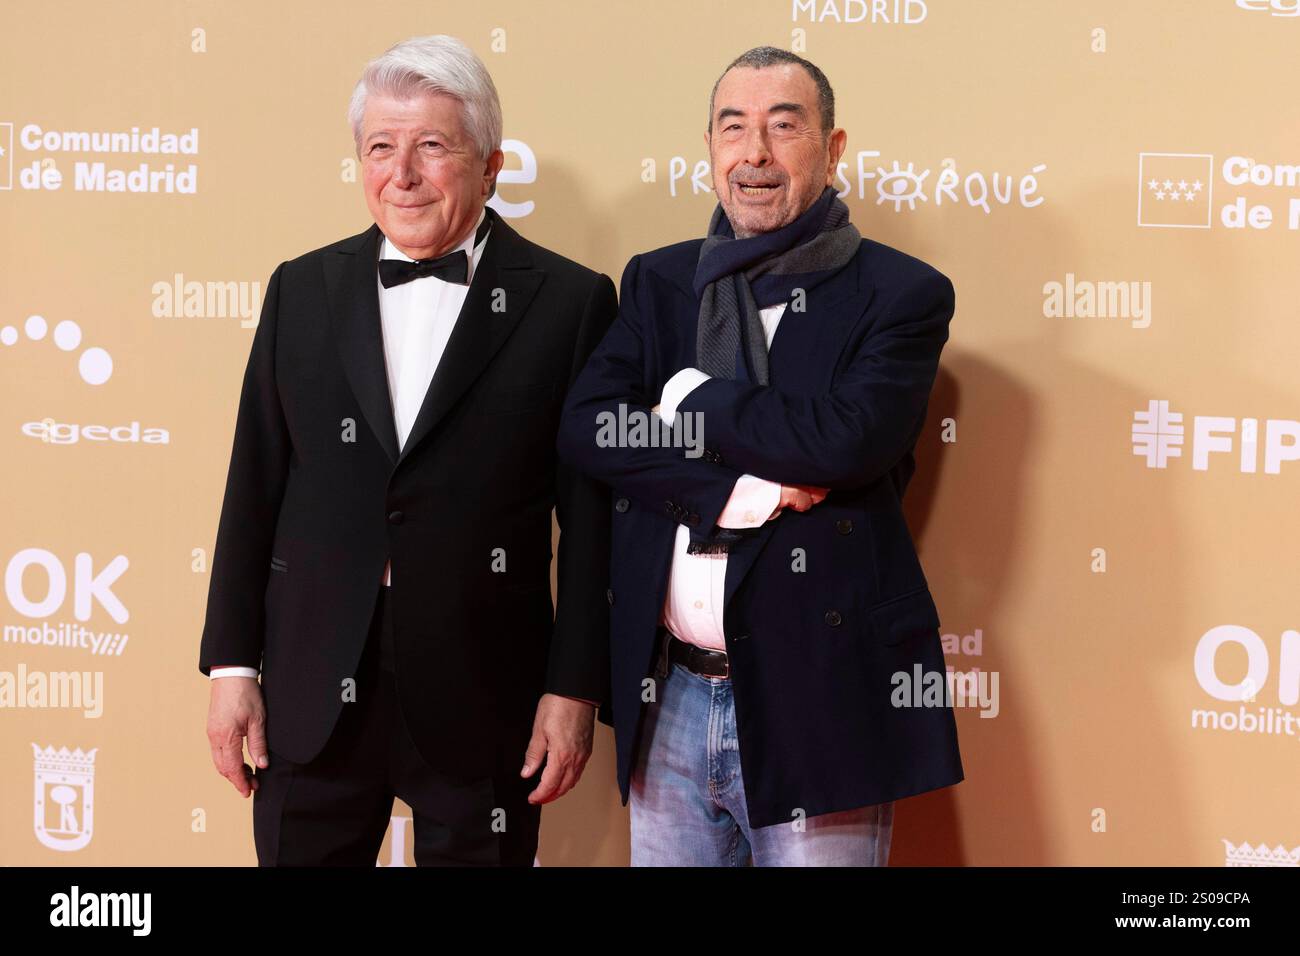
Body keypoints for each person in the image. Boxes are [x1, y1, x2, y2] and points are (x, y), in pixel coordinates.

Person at [199, 34, 616, 866]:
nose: (404, 173)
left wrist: (572, 689)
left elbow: (595, 522)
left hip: (484, 689)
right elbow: (256, 485)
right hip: (311, 687)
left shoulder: (571, 304)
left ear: (491, 164)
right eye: (381, 148)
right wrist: (232, 666)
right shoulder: (301, 289)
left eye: (433, 146)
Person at [558, 46, 963, 866]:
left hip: (822, 697)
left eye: (784, 128)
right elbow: (594, 427)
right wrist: (740, 494)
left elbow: (844, 439)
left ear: (834, 146)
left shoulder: (901, 293)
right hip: (668, 696)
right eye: (733, 128)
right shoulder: (660, 282)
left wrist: (690, 397)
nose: (755, 154)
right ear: (709, 146)